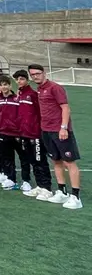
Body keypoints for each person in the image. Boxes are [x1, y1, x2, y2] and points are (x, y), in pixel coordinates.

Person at [28, 64, 81, 209]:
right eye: (32, 75)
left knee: (69, 162)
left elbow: (65, 107)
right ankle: (62, 192)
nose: (35, 76)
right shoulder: (39, 90)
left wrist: (63, 128)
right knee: (56, 161)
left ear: (44, 73)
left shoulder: (55, 88)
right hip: (46, 130)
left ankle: (76, 197)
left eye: (37, 73)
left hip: (60, 131)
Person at [14, 70, 54, 199]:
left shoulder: (33, 94)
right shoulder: (19, 94)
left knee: (40, 160)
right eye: (17, 79)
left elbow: (41, 113)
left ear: (27, 80)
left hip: (35, 134)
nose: (19, 81)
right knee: (33, 161)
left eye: (21, 79)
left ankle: (47, 188)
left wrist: (40, 131)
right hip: (24, 133)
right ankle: (39, 186)